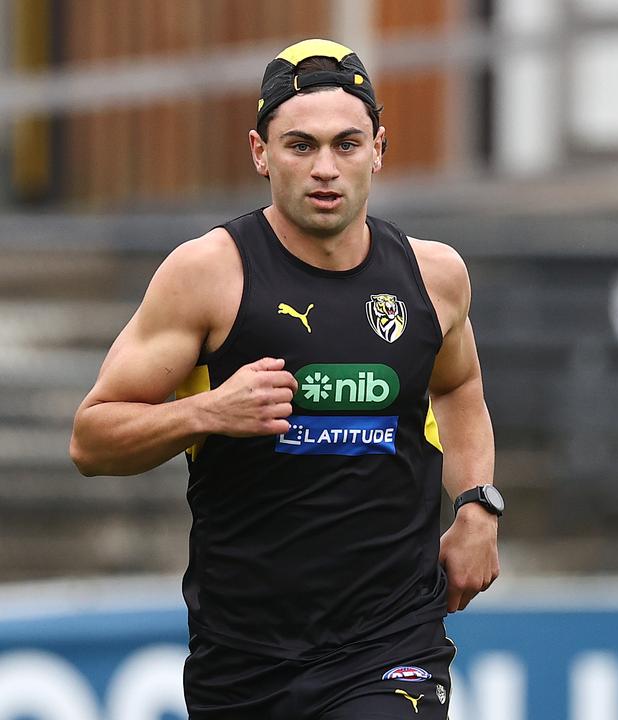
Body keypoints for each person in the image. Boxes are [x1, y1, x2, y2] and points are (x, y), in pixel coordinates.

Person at [69, 38, 502, 719]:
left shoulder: (434, 276)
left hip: (389, 640)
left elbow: (457, 388)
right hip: (244, 657)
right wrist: (207, 412)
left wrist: (478, 504)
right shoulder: (207, 274)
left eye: (347, 144)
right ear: (260, 153)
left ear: (379, 151)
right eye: (300, 146)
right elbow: (91, 440)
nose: (325, 168)